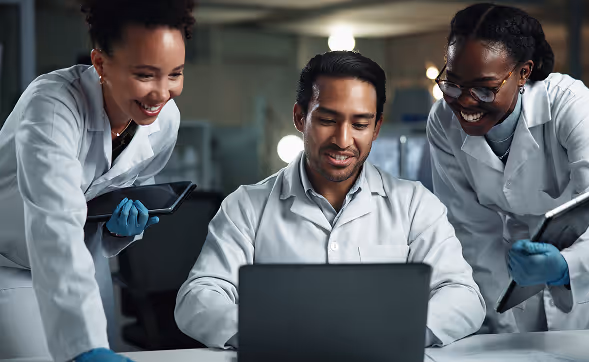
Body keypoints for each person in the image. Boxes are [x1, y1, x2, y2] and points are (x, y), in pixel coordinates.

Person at [174, 51, 486, 349]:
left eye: (360, 124)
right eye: (327, 120)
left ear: (376, 127)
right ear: (300, 117)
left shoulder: (415, 204)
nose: (343, 140)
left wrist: (395, 331)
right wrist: (273, 335)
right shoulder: (245, 207)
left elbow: (464, 297)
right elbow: (197, 298)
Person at [0, 0, 195, 360]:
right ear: (101, 63)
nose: (161, 93)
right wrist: (85, 347)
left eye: (175, 74)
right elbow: (53, 220)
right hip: (9, 264)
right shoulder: (53, 106)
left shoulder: (165, 120)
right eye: (145, 75)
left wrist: (117, 230)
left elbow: (121, 188)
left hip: (84, 263)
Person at [428, 3, 589, 335]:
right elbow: (472, 231)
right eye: (452, 83)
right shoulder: (442, 122)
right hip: (510, 289)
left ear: (524, 72)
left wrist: (567, 266)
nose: (464, 102)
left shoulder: (573, 108)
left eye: (484, 88)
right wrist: (501, 320)